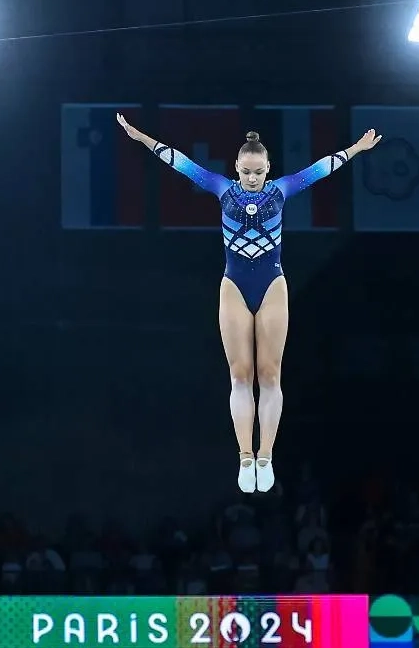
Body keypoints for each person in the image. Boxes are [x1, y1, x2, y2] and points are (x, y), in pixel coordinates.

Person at [116, 113, 381, 493]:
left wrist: (357, 148)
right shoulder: (223, 189)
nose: (252, 178)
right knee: (240, 375)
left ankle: (266, 455)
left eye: (258, 172)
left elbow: (321, 169)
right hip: (234, 285)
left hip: (272, 283)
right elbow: (180, 162)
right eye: (246, 172)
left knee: (269, 374)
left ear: (268, 168)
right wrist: (141, 137)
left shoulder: (281, 190)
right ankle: (245, 456)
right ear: (236, 168)